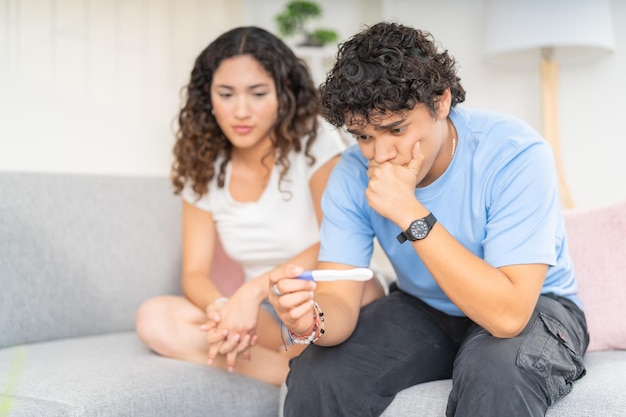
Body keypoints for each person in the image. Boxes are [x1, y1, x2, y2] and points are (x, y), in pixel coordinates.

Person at [268, 22, 589, 416]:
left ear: (441, 103)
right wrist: (310, 321)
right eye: (364, 137)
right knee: (319, 371)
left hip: (532, 306)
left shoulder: (515, 153)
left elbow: (508, 315)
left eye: (396, 129)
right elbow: (339, 299)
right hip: (423, 307)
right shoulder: (351, 173)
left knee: (496, 372)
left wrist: (409, 211)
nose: (380, 154)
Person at [134, 26, 379, 387]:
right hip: (265, 315)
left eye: (258, 93)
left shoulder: (314, 142)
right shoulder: (202, 165)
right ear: (208, 97)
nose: (241, 111)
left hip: (329, 297)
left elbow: (337, 239)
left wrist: (250, 293)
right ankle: (294, 375)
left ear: (283, 95)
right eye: (226, 94)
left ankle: (299, 368)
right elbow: (195, 274)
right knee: (155, 318)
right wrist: (223, 311)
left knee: (329, 318)